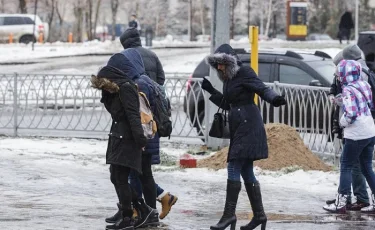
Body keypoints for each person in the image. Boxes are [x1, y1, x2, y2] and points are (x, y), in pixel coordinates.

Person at [201, 44, 286, 230]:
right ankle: (260, 216)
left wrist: (275, 99)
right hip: (240, 125)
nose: (219, 68)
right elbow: (227, 104)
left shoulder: (245, 72)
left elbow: (261, 88)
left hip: (249, 124)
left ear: (229, 62)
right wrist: (210, 91)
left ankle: (229, 216)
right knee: (246, 170)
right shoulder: (228, 78)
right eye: (217, 64)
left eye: (222, 63)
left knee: (233, 165)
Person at [119, 27, 178, 219]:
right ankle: (156, 202)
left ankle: (142, 210)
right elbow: (161, 81)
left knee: (136, 168)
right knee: (142, 169)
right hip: (153, 118)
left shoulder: (125, 58)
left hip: (137, 117)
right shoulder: (152, 55)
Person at [91, 65, 148, 230]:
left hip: (128, 139)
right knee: (115, 176)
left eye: (104, 84)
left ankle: (128, 218)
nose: (104, 87)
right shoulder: (115, 91)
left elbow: (133, 115)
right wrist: (106, 96)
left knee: (120, 178)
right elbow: (117, 113)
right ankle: (141, 207)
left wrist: (140, 140)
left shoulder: (127, 89)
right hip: (118, 137)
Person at [323, 60, 375, 213]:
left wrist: (342, 122)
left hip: (356, 133)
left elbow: (351, 114)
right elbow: (368, 105)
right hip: (370, 130)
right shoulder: (364, 85)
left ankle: (341, 202)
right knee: (367, 168)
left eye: (340, 74)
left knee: (346, 166)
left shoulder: (348, 90)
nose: (339, 77)